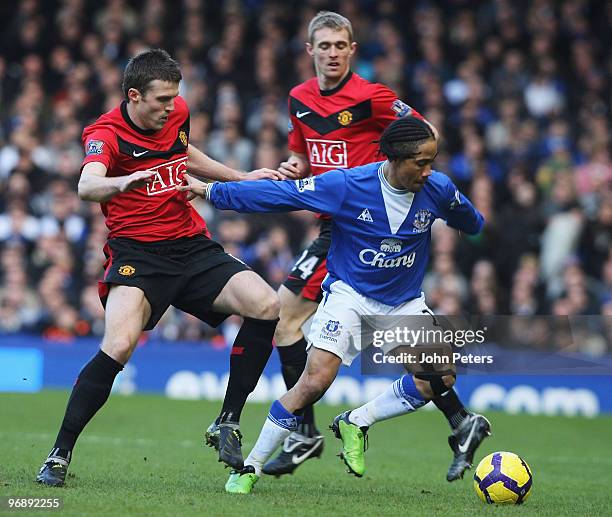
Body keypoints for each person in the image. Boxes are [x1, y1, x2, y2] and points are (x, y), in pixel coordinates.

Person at [207, 10, 485, 482]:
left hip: (359, 217)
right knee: (287, 320)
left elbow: (422, 135)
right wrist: (295, 164)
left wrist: (399, 172)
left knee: (284, 314)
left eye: (341, 46)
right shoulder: (298, 99)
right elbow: (302, 150)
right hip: (334, 212)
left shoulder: (374, 98)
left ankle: (301, 430)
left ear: (352, 50)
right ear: (310, 50)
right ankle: (454, 418)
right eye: (325, 46)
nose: (333, 53)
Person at [180, 116, 492, 494]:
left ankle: (355, 422)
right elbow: (284, 195)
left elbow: (473, 223)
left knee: (438, 376)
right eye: (421, 162)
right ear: (395, 159)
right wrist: (214, 194)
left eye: (432, 161)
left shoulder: (437, 188)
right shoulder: (347, 185)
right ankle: (250, 468)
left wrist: (467, 218)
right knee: (314, 382)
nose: (429, 171)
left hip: (403, 303)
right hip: (349, 296)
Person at [36, 48, 285, 487]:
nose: (173, 106)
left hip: (190, 245)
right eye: (162, 100)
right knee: (119, 344)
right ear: (134, 95)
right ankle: (59, 453)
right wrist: (121, 181)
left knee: (266, 304)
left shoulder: (177, 112)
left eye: (175, 97)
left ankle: (227, 420)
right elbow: (86, 185)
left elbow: (183, 153)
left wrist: (240, 176)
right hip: (138, 255)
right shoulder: (105, 134)